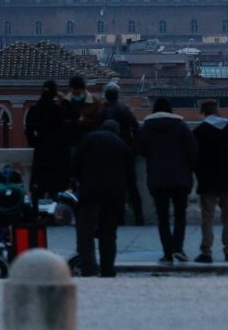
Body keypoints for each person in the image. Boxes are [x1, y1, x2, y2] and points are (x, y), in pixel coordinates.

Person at [71, 117, 134, 277]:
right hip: (113, 197)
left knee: (85, 233)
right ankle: (108, 269)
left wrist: (82, 180)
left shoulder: (89, 138)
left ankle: (89, 267)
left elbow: (75, 164)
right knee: (108, 234)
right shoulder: (122, 145)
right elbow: (131, 176)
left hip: (90, 193)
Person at [139, 97, 197, 264]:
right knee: (180, 216)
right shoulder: (181, 127)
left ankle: (167, 251)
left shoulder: (147, 127)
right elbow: (192, 151)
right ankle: (178, 248)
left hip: (157, 179)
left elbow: (141, 149)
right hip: (180, 178)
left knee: (162, 217)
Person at [193, 99, 228, 264]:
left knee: (207, 218)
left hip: (207, 181)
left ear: (203, 112)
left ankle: (206, 252)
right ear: (217, 110)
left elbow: (195, 158)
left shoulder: (199, 131)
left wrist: (200, 175)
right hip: (226, 180)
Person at [96, 82, 144, 225]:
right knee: (131, 185)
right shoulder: (125, 109)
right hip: (125, 149)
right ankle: (138, 217)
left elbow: (96, 129)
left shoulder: (102, 112)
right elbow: (136, 127)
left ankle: (118, 218)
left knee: (110, 187)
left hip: (107, 151)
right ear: (118, 95)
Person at [23, 81, 75, 200]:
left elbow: (28, 132)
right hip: (59, 153)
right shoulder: (60, 110)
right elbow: (75, 115)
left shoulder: (34, 110)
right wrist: (65, 100)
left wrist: (36, 143)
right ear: (55, 93)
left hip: (41, 151)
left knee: (39, 190)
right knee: (57, 190)